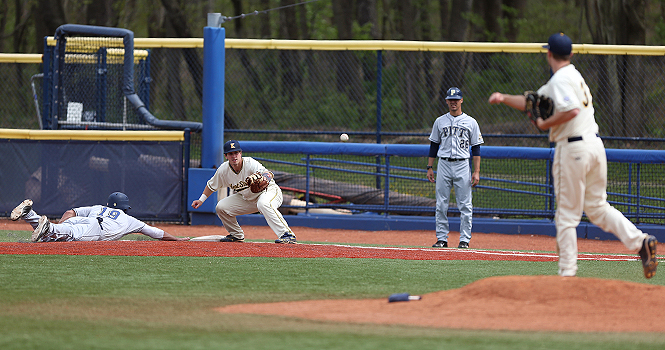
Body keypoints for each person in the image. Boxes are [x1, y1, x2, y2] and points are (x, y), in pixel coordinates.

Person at [488, 32, 658, 278]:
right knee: (598, 208)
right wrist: (503, 98)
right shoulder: (573, 76)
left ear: (548, 54)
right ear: (571, 54)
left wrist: (545, 125)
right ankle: (640, 241)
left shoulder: (559, 82)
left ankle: (567, 273)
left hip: (573, 149)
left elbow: (571, 110)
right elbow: (531, 102)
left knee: (566, 215)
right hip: (595, 146)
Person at [191, 140, 297, 244]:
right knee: (221, 207)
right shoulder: (223, 170)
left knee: (263, 203)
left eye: (236, 152)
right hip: (248, 198)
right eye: (230, 153)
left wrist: (265, 178)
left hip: (269, 192)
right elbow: (211, 185)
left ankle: (287, 234)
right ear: (226, 156)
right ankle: (236, 235)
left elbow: (267, 173)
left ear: (240, 153)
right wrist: (201, 200)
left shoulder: (250, 163)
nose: (234, 156)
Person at [427, 87, 483, 249]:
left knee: (465, 204)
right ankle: (442, 239)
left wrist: (477, 171)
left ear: (461, 100)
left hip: (463, 164)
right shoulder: (440, 121)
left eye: (456, 100)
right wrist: (430, 166)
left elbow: (476, 148)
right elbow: (434, 145)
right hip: (443, 163)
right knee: (441, 203)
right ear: (446, 101)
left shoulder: (471, 122)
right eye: (451, 100)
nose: (453, 102)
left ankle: (464, 240)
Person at [10, 192, 189, 242]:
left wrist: (62, 223)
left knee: (57, 233)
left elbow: (70, 212)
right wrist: (178, 240)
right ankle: (49, 227)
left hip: (82, 219)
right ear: (125, 208)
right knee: (67, 234)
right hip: (96, 227)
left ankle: (31, 215)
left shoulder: (97, 207)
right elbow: (156, 232)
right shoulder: (129, 220)